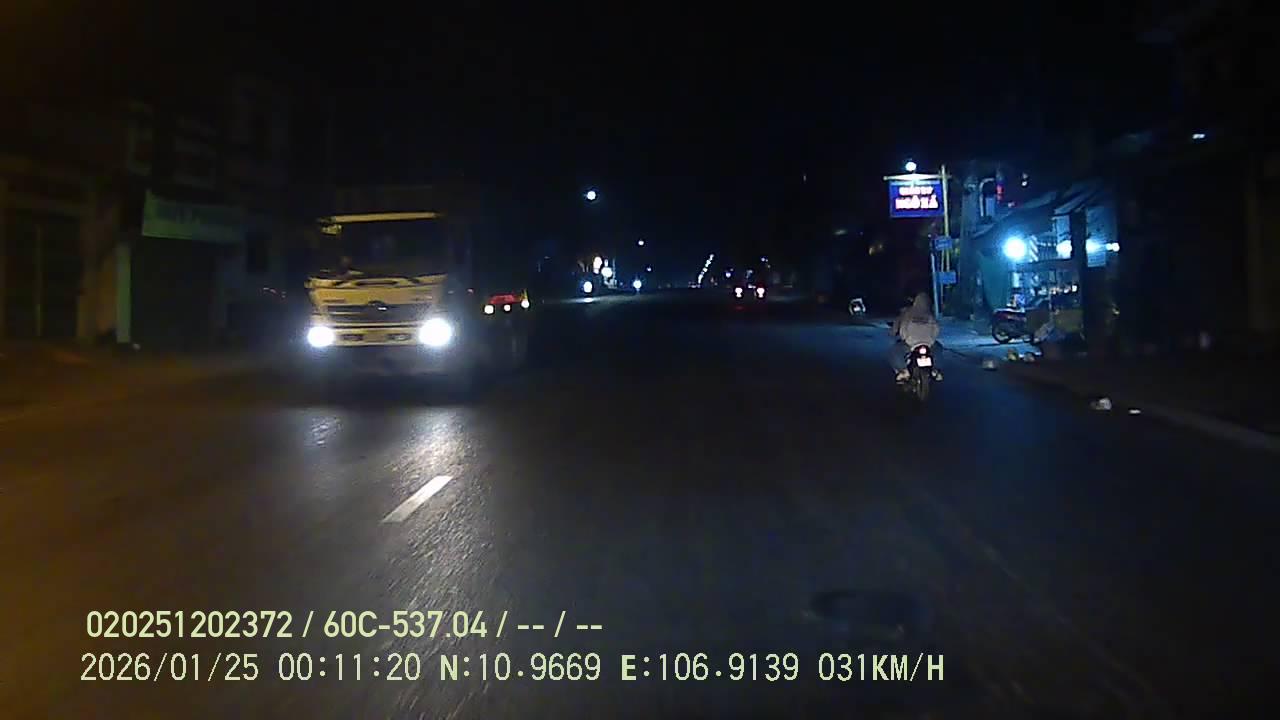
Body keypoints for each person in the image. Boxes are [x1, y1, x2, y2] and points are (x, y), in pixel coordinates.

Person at [890, 292, 941, 382]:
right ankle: (935, 370)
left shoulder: (908, 313)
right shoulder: (929, 314)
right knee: (939, 349)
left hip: (910, 343)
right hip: (928, 344)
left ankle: (903, 371)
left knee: (895, 351)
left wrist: (902, 337)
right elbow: (936, 329)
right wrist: (931, 339)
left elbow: (902, 327)